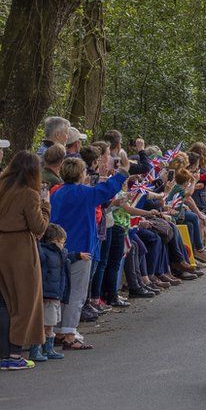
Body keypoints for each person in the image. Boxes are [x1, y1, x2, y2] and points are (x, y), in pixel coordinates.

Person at [50, 155, 128, 350]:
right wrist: (123, 172)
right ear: (80, 173)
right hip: (81, 248)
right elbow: (107, 189)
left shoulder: (57, 193)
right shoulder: (83, 193)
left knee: (60, 291)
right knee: (76, 292)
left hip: (59, 247)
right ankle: (69, 334)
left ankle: (58, 329)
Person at [0, 152, 51, 371]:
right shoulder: (29, 194)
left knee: (3, 303)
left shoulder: (2, 188)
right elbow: (39, 227)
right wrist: (45, 205)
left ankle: (3, 353)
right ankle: (13, 354)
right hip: (19, 249)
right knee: (23, 303)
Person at [34, 224, 88, 362]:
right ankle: (38, 349)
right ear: (54, 241)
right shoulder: (43, 253)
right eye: (62, 242)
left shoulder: (61, 253)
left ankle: (47, 348)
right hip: (47, 295)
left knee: (50, 323)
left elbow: (67, 257)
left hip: (56, 295)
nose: (64, 245)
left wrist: (77, 255)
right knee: (46, 323)